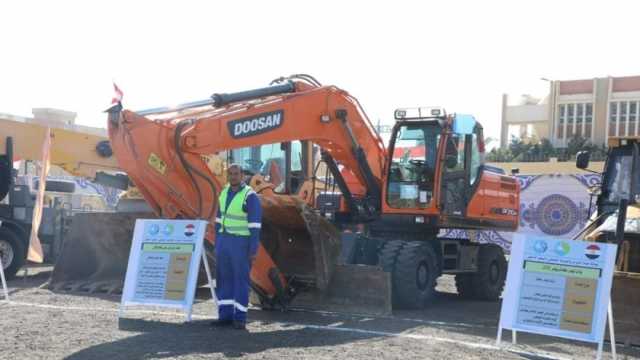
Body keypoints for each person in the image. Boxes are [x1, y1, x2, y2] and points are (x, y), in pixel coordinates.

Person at [210, 164, 262, 330]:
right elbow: (219, 220)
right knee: (224, 279)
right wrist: (217, 242)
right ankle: (224, 316)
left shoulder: (250, 196)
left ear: (242, 176)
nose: (233, 176)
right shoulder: (224, 192)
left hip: (240, 243)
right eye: (230, 174)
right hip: (224, 242)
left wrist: (253, 249)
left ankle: (240, 318)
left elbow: (255, 225)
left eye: (236, 174)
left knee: (240, 280)